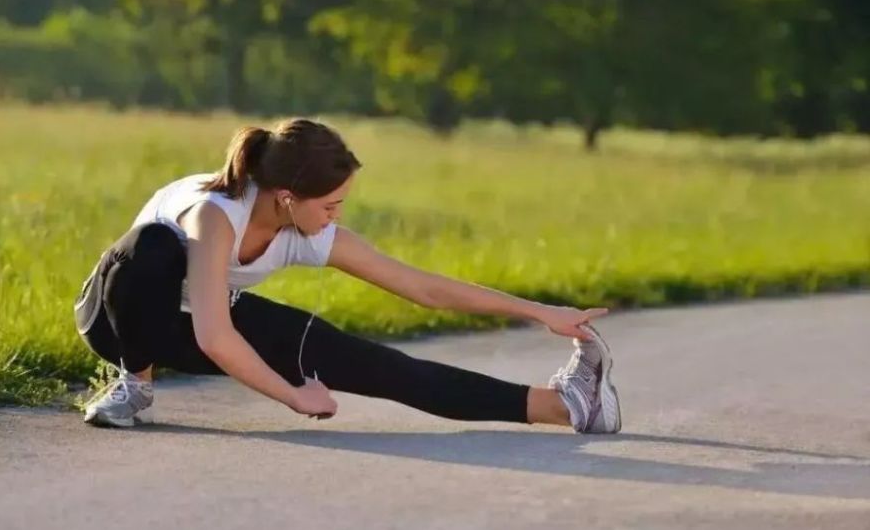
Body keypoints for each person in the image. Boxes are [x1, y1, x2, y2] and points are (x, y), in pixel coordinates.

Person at [73, 118, 621, 434]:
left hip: (204, 320)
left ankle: (566, 405)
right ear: (288, 197)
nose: (337, 216)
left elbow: (422, 288)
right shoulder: (216, 214)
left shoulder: (305, 229)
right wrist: (293, 396)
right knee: (149, 250)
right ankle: (133, 384)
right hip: (117, 320)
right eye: (331, 205)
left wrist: (541, 312)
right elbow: (215, 337)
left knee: (374, 363)